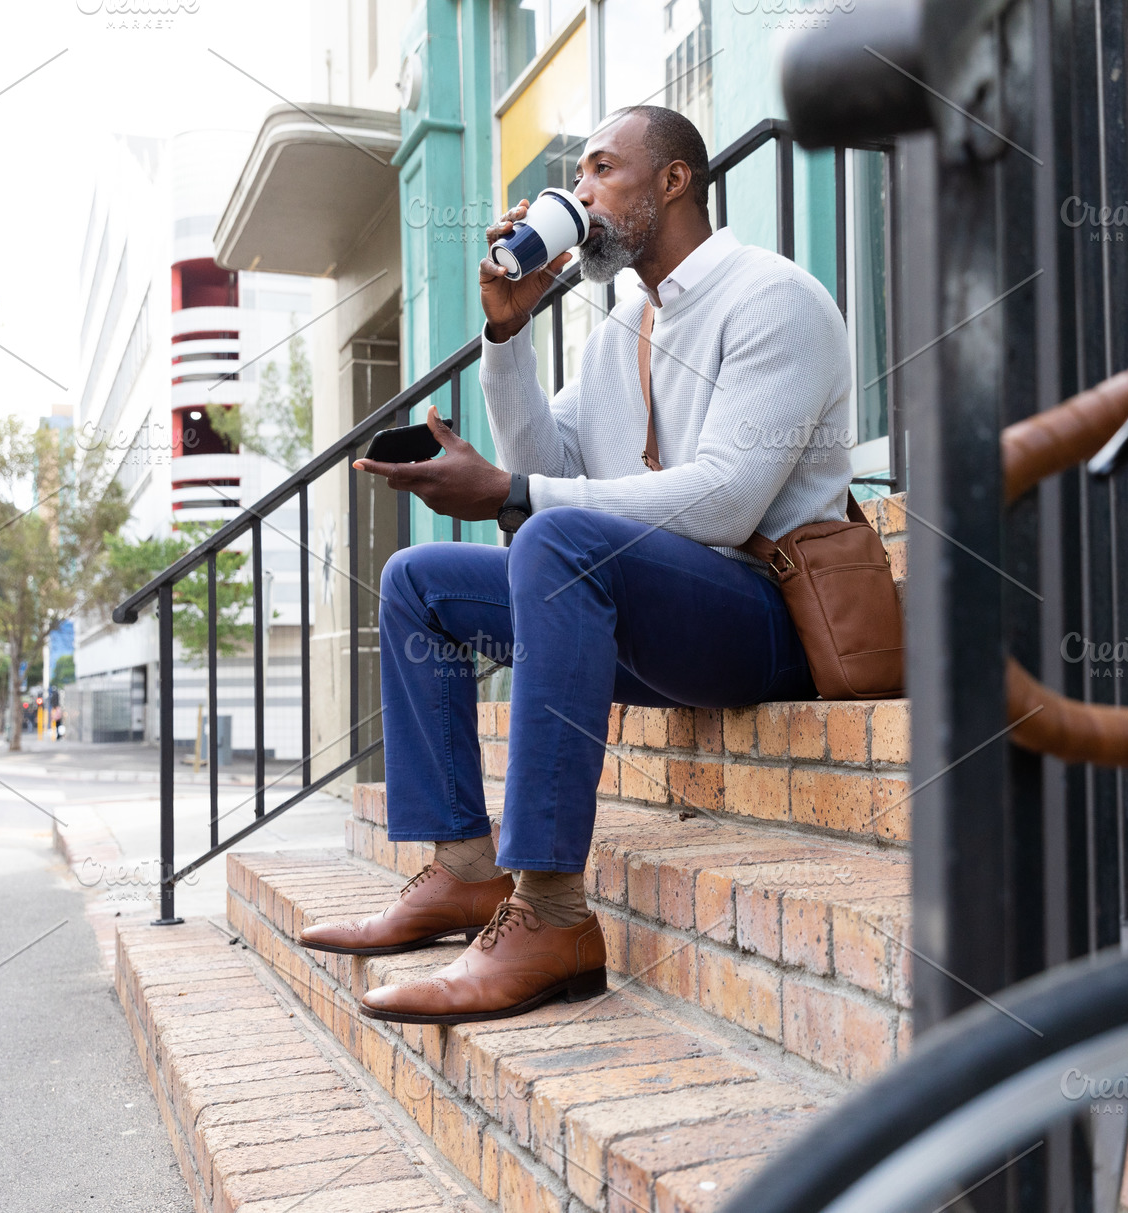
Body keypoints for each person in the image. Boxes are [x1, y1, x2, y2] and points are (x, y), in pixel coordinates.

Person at [300, 104, 853, 1025]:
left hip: (763, 617)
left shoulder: (774, 298)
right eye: (580, 176)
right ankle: (469, 875)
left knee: (551, 533)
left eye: (600, 170)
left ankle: (552, 911)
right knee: (417, 581)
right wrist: (508, 335)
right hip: (647, 613)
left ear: (673, 182)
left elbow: (725, 502)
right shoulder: (619, 329)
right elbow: (550, 467)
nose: (580, 191)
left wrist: (519, 494)